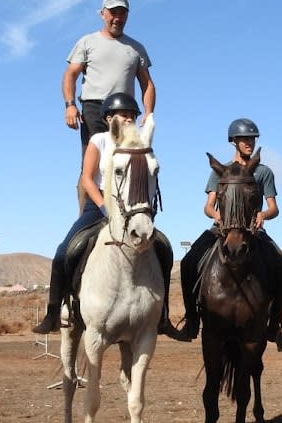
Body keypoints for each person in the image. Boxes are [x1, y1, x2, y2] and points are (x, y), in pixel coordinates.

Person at [31, 92, 179, 337]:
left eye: (133, 114)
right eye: (124, 114)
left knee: (163, 247)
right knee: (64, 251)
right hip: (98, 205)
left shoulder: (141, 140)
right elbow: (87, 179)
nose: (130, 118)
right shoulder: (99, 140)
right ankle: (56, 311)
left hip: (132, 209)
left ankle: (162, 314)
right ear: (109, 117)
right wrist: (103, 206)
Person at [173, 118, 282, 351]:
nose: (249, 142)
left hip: (252, 230)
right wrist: (217, 216)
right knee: (188, 261)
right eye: (244, 139)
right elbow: (208, 206)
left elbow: (274, 207)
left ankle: (275, 325)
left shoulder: (263, 172)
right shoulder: (221, 171)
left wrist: (263, 215)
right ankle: (191, 320)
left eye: (252, 138)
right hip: (222, 228)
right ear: (234, 142)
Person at [61, 0, 156, 155]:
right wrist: (70, 106)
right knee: (95, 159)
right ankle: (85, 180)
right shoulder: (87, 42)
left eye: (122, 13)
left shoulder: (136, 48)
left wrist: (148, 113)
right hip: (94, 109)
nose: (117, 18)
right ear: (102, 14)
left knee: (133, 156)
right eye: (113, 13)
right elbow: (70, 75)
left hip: (125, 110)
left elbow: (146, 83)